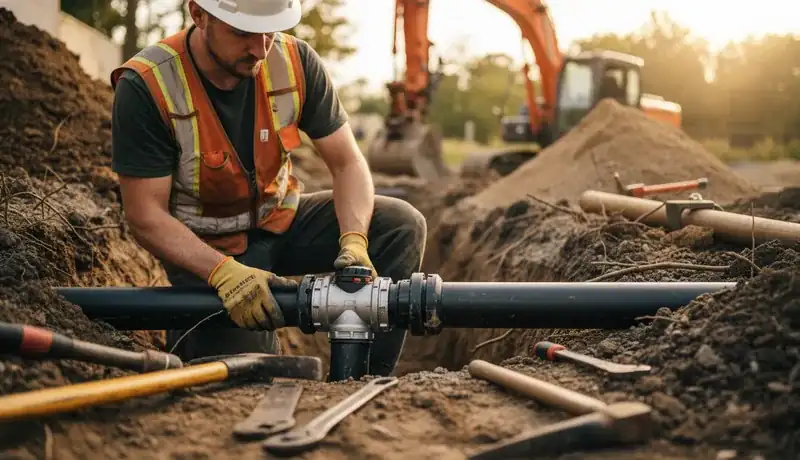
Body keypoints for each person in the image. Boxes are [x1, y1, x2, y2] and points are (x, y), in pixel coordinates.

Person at [108, 0, 427, 377]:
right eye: (243, 33)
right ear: (199, 15)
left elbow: (347, 163)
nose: (260, 49)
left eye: (270, 32)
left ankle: (367, 381)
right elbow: (145, 215)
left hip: (281, 221)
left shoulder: (293, 61)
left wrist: (355, 239)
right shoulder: (148, 85)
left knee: (400, 225)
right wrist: (223, 273)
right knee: (252, 377)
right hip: (207, 252)